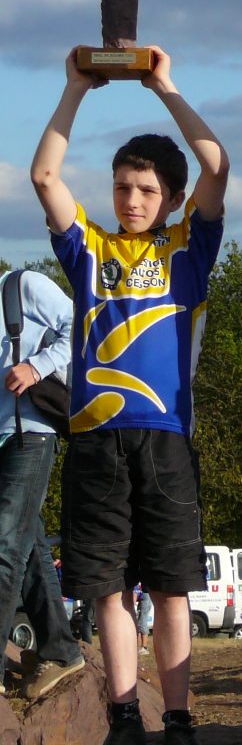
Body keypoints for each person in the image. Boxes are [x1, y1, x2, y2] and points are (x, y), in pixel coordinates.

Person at [31, 47, 230, 745]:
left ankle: (177, 719)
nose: (132, 201)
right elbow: (44, 176)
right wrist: (74, 89)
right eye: (122, 187)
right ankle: (123, 717)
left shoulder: (188, 248)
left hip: (166, 438)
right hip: (96, 441)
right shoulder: (87, 248)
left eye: (146, 190)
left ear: (171, 199)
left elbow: (217, 167)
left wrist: (164, 85)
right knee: (105, 588)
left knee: (171, 589)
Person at [0, 266, 85, 700]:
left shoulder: (21, 287)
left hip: (30, 433)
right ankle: (61, 651)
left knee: (4, 547)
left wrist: (36, 366)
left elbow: (83, 327)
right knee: (28, 548)